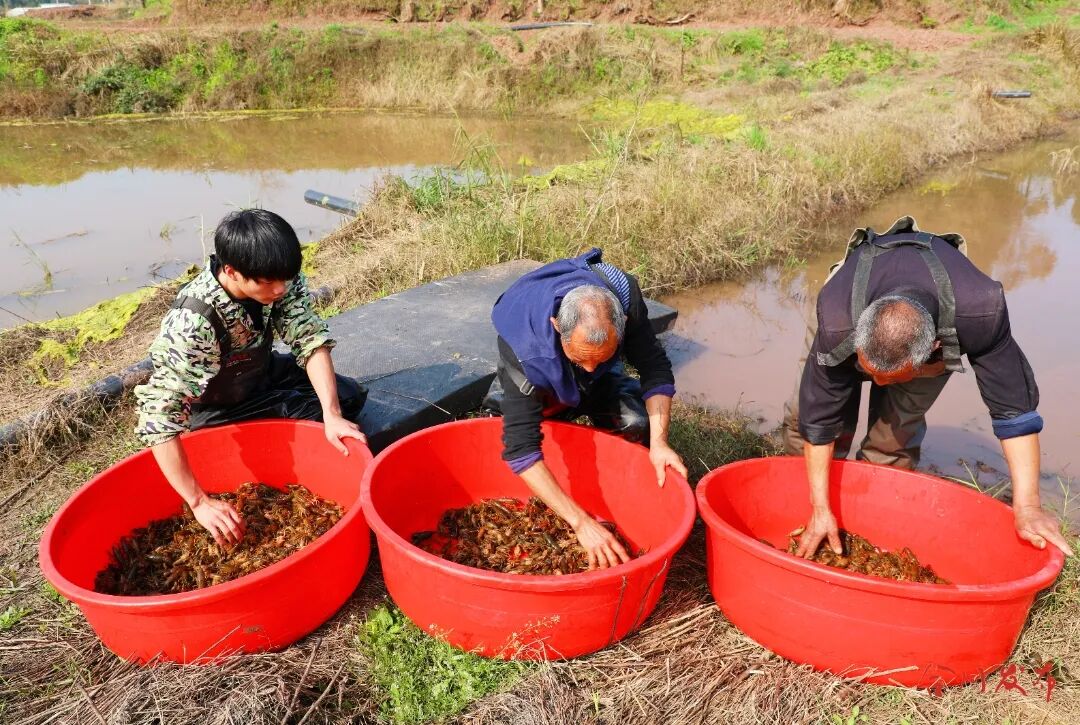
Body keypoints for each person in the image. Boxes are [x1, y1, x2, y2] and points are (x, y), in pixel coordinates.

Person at [781, 216, 1072, 558]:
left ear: (933, 349)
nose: (878, 383)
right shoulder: (836, 316)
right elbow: (818, 420)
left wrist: (1028, 505)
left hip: (938, 330)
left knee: (891, 443)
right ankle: (808, 510)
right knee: (805, 426)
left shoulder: (980, 312)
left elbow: (1014, 413)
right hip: (849, 319)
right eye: (871, 371)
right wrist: (819, 506)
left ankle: (868, 523)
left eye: (888, 378)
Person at [134, 209, 367, 547]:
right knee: (305, 424)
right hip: (217, 401)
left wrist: (332, 416)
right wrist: (199, 502)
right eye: (267, 283)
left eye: (285, 279)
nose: (279, 289)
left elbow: (308, 338)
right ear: (231, 271)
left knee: (347, 399)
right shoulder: (192, 323)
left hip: (259, 370)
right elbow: (158, 415)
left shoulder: (279, 279)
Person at [485, 248, 687, 569]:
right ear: (556, 326)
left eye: (602, 356)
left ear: (621, 322)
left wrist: (660, 443)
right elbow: (521, 452)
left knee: (636, 422)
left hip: (602, 375)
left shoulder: (624, 298)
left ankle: (624, 483)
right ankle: (512, 400)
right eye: (581, 357)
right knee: (510, 428)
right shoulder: (525, 347)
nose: (590, 368)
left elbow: (655, 368)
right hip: (541, 375)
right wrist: (581, 523)